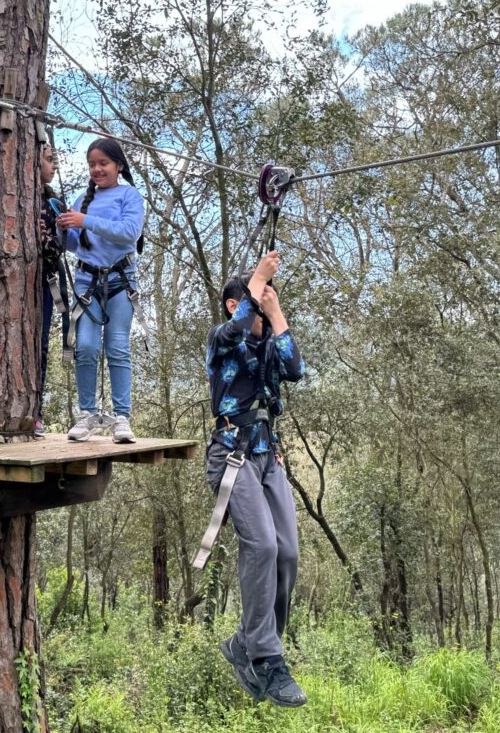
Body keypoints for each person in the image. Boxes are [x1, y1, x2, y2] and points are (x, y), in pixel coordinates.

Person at [202, 251, 308, 707]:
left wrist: (277, 311)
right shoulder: (222, 338)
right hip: (232, 453)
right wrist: (257, 279)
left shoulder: (269, 346)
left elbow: (296, 370)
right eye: (259, 299)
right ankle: (266, 658)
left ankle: (248, 641)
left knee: (287, 552)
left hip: (268, 455)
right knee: (262, 544)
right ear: (236, 304)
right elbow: (233, 332)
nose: (265, 303)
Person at [57, 138, 144, 444]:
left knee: (117, 348)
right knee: (86, 347)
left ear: (118, 165)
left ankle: (122, 417)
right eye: (92, 164)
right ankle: (87, 414)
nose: (97, 169)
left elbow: (129, 233)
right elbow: (76, 245)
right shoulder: (83, 198)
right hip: (88, 283)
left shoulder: (129, 195)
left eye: (103, 163)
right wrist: (63, 230)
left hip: (121, 282)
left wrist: (86, 220)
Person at [36, 142, 70, 436]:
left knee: (40, 344)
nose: (54, 165)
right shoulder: (22, 198)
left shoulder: (54, 200)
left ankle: (35, 412)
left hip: (46, 278)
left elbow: (65, 243)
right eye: (49, 159)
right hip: (23, 276)